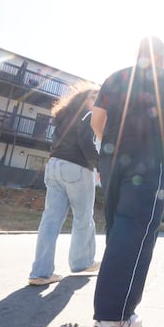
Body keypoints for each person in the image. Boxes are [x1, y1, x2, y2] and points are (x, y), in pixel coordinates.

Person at [90, 36, 164, 327]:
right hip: (148, 159)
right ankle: (113, 317)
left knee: (116, 229)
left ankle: (112, 309)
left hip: (110, 158)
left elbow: (97, 121)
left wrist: (110, 145)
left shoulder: (115, 78)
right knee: (134, 230)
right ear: (163, 56)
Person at [28, 84, 100, 286]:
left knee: (50, 220)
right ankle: (81, 262)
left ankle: (40, 273)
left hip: (53, 166)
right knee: (83, 217)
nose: (98, 102)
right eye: (95, 97)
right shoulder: (86, 115)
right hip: (76, 168)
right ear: (85, 100)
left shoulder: (63, 117)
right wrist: (101, 165)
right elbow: (86, 143)